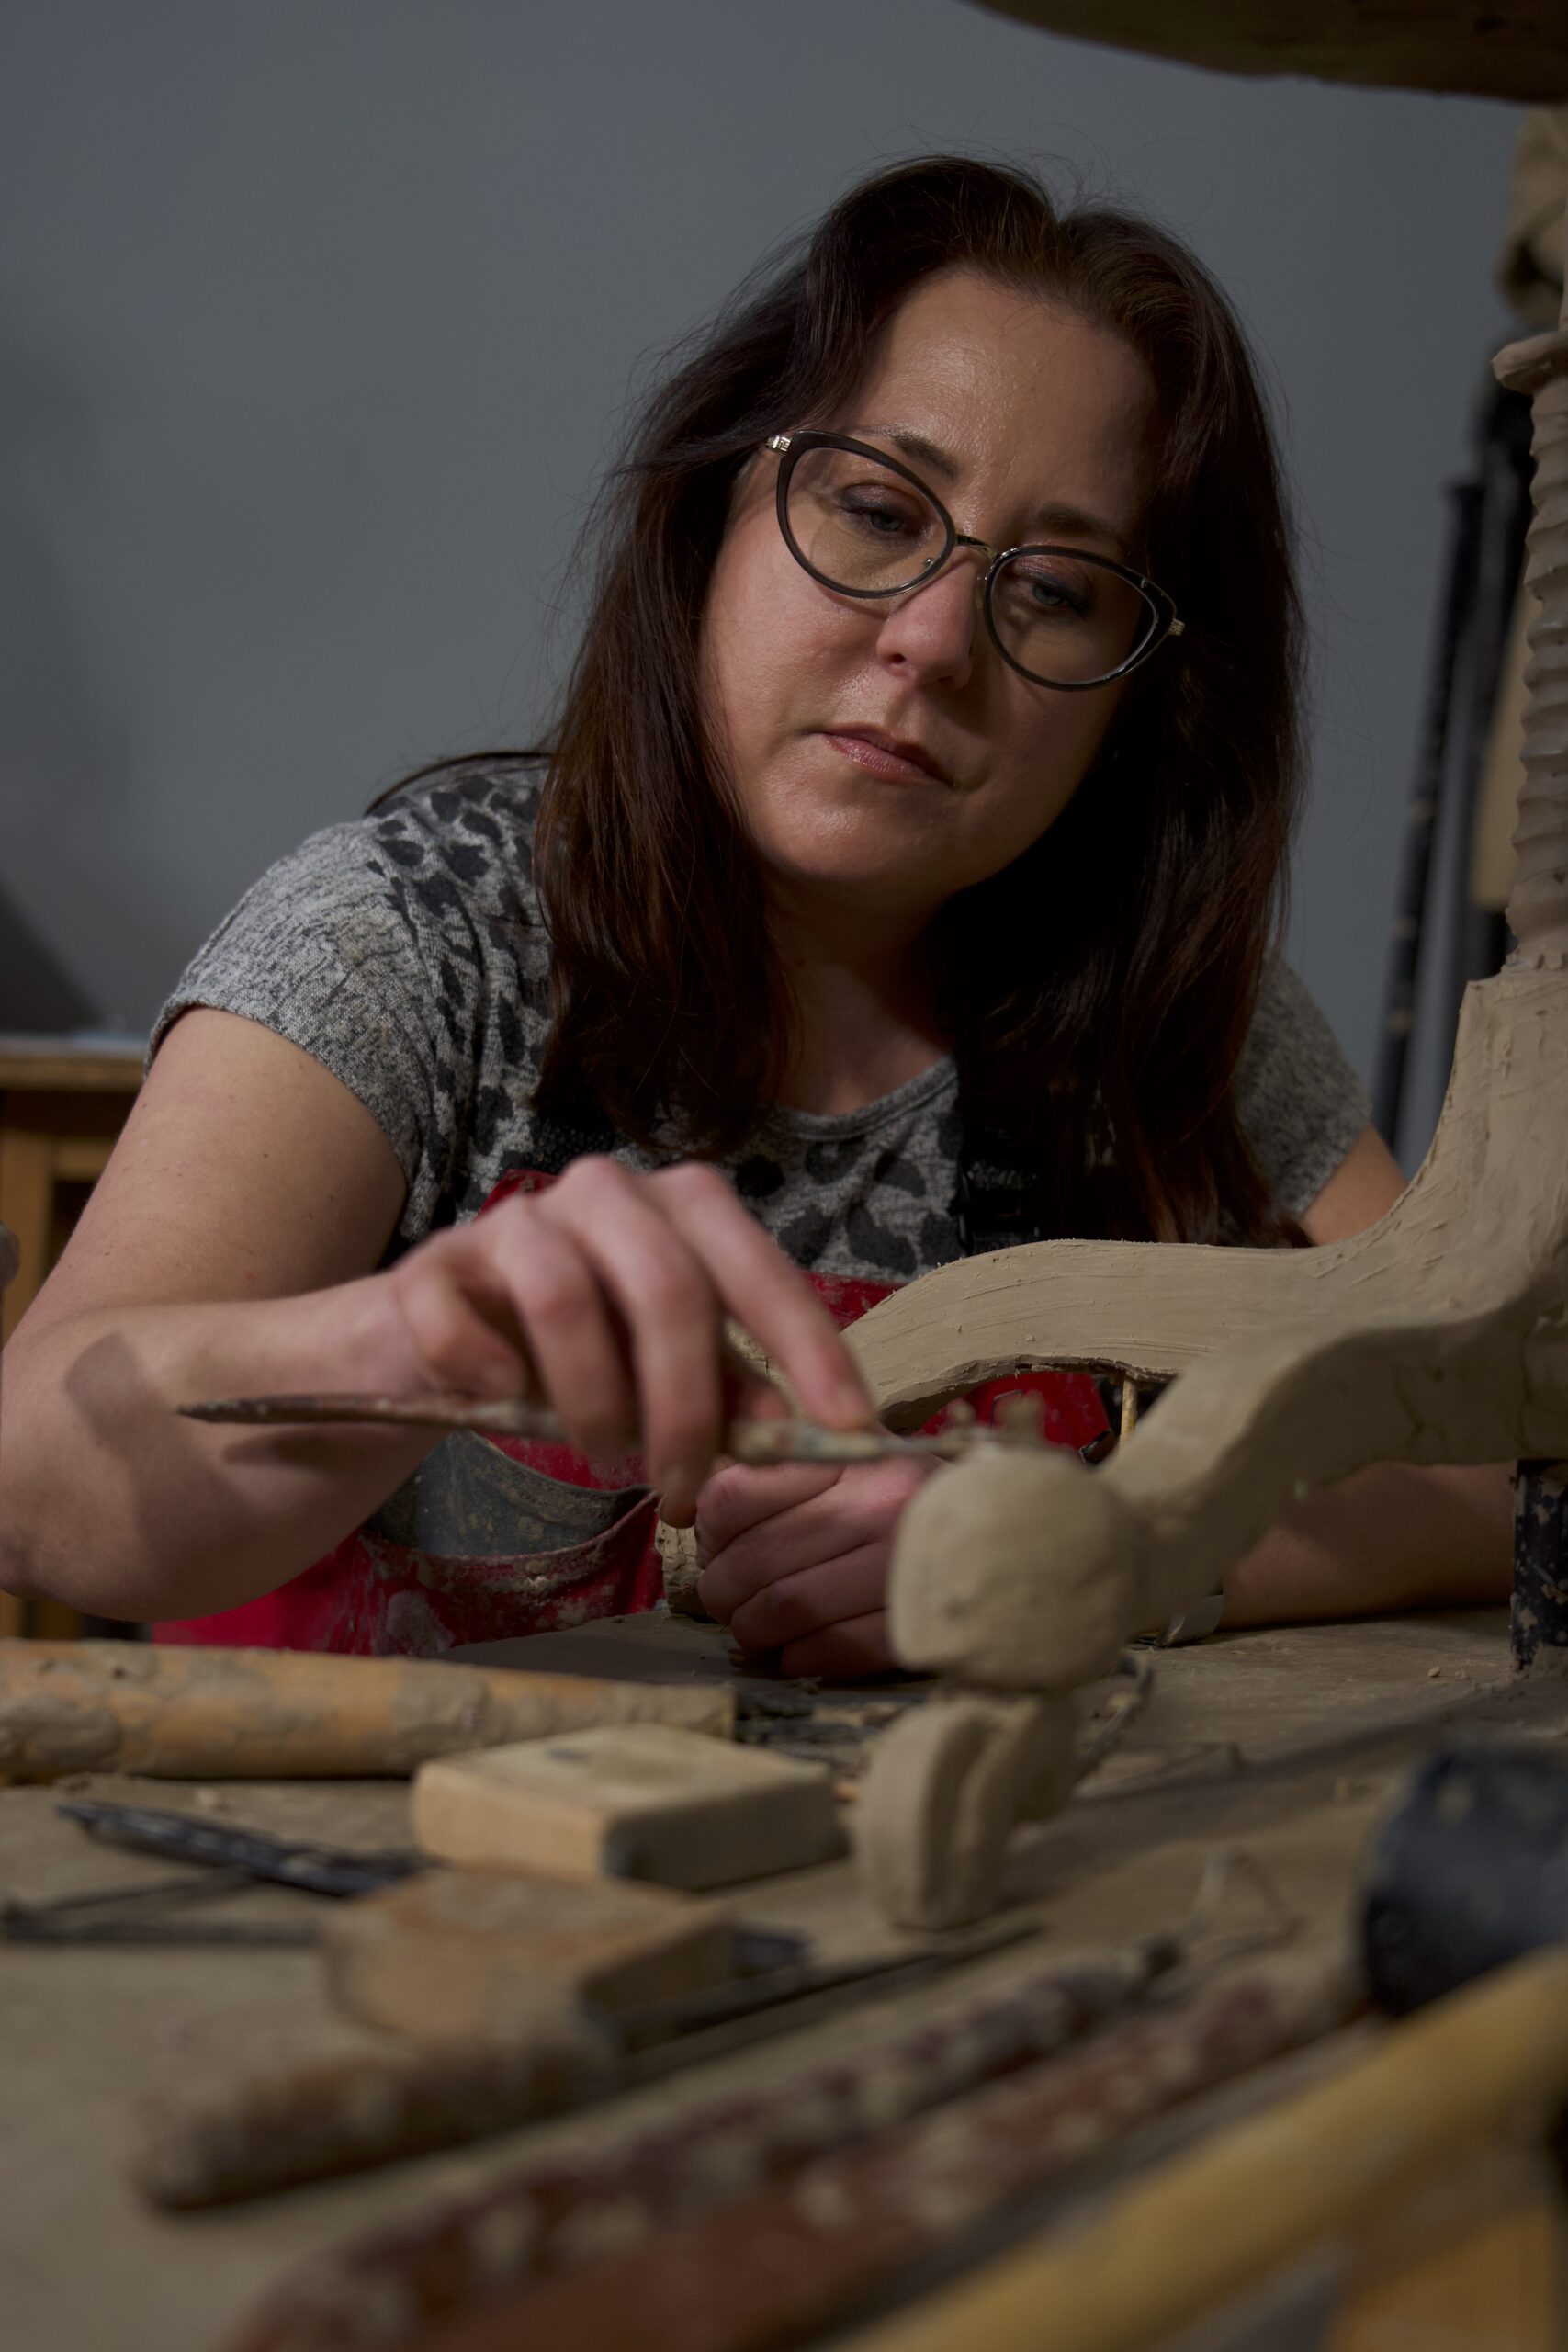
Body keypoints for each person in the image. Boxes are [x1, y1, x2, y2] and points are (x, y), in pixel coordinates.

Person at [0, 157, 1510, 1669]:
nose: (932, 642)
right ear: (720, 501)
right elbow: (41, 1474)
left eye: (1054, 591)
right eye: (873, 507)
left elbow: (1499, 1454)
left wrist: (1110, 1544)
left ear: (1141, 695)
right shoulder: (406, 935)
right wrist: (407, 1349)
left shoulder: (1178, 1023)